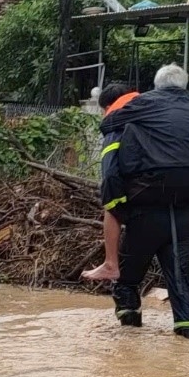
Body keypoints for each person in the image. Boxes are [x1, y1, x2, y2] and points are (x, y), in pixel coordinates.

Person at [100, 64, 189, 340]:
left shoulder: (144, 105)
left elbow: (108, 127)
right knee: (181, 281)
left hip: (149, 201)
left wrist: (116, 205)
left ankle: (128, 341)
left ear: (156, 85)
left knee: (127, 279)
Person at [83, 83, 138, 282]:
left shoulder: (116, 125)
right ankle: (187, 257)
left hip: (139, 196)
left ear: (108, 108)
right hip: (177, 189)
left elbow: (110, 175)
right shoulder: (153, 116)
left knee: (110, 203)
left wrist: (118, 206)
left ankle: (110, 264)